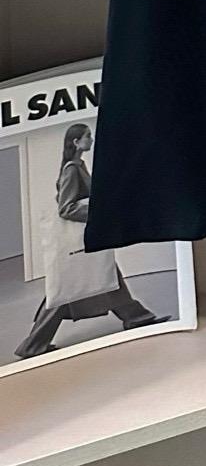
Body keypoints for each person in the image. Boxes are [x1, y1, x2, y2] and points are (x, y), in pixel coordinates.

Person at [14, 122, 160, 357]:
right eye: (87, 136)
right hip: (80, 239)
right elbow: (66, 208)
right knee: (66, 292)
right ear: (76, 142)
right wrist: (97, 212)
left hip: (86, 237)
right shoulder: (72, 169)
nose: (91, 139)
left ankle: (136, 317)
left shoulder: (78, 166)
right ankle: (32, 346)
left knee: (105, 276)